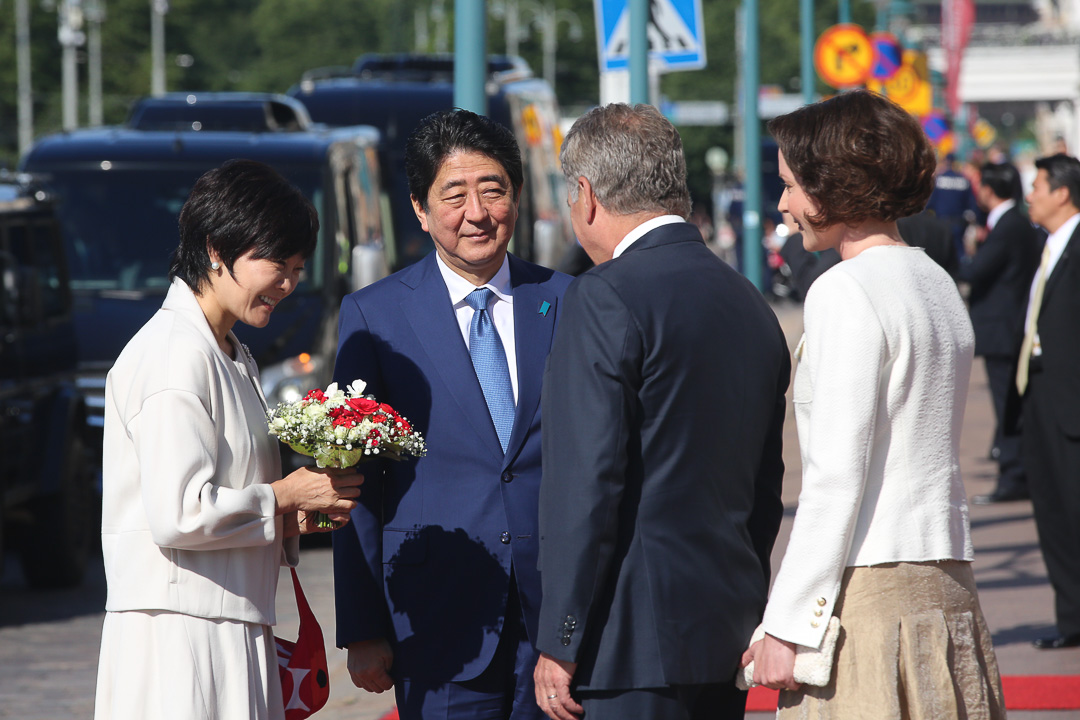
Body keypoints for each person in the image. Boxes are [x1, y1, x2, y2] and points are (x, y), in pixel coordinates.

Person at [742, 90, 1006, 718]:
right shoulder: (934, 281)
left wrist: (786, 625)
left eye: (791, 185)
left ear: (834, 186)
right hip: (946, 577)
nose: (783, 204)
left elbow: (836, 477)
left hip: (869, 591)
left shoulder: (844, 291)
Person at [534, 103, 790, 720]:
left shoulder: (604, 295)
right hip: (723, 628)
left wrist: (560, 637)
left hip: (625, 645)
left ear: (587, 195)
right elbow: (765, 483)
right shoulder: (747, 299)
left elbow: (587, 481)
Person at [95, 159, 364, 720]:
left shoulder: (230, 353)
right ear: (216, 249)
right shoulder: (175, 354)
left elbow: (231, 498)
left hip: (230, 622)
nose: (287, 284)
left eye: (297, 268)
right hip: (178, 638)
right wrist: (286, 496)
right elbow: (181, 514)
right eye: (275, 264)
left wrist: (299, 516)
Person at [331, 109, 573, 719]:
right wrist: (363, 626)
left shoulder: (567, 301)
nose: (477, 213)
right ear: (419, 207)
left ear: (516, 196)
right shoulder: (376, 317)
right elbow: (353, 482)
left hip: (554, 623)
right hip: (435, 620)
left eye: (493, 190)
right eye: (454, 195)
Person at [1017, 153, 1080, 649]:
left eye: (1037, 185)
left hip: (1072, 400)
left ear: (1062, 191)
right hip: (1039, 395)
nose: (1030, 194)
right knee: (1054, 514)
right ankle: (1071, 620)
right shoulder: (1047, 247)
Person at [961, 161, 1042, 504]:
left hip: (1003, 329)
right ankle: (1017, 470)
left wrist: (962, 255)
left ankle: (1013, 476)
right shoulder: (1017, 223)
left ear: (990, 190)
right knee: (1011, 403)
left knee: (1007, 405)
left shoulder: (1006, 225)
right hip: (1011, 326)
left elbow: (977, 270)